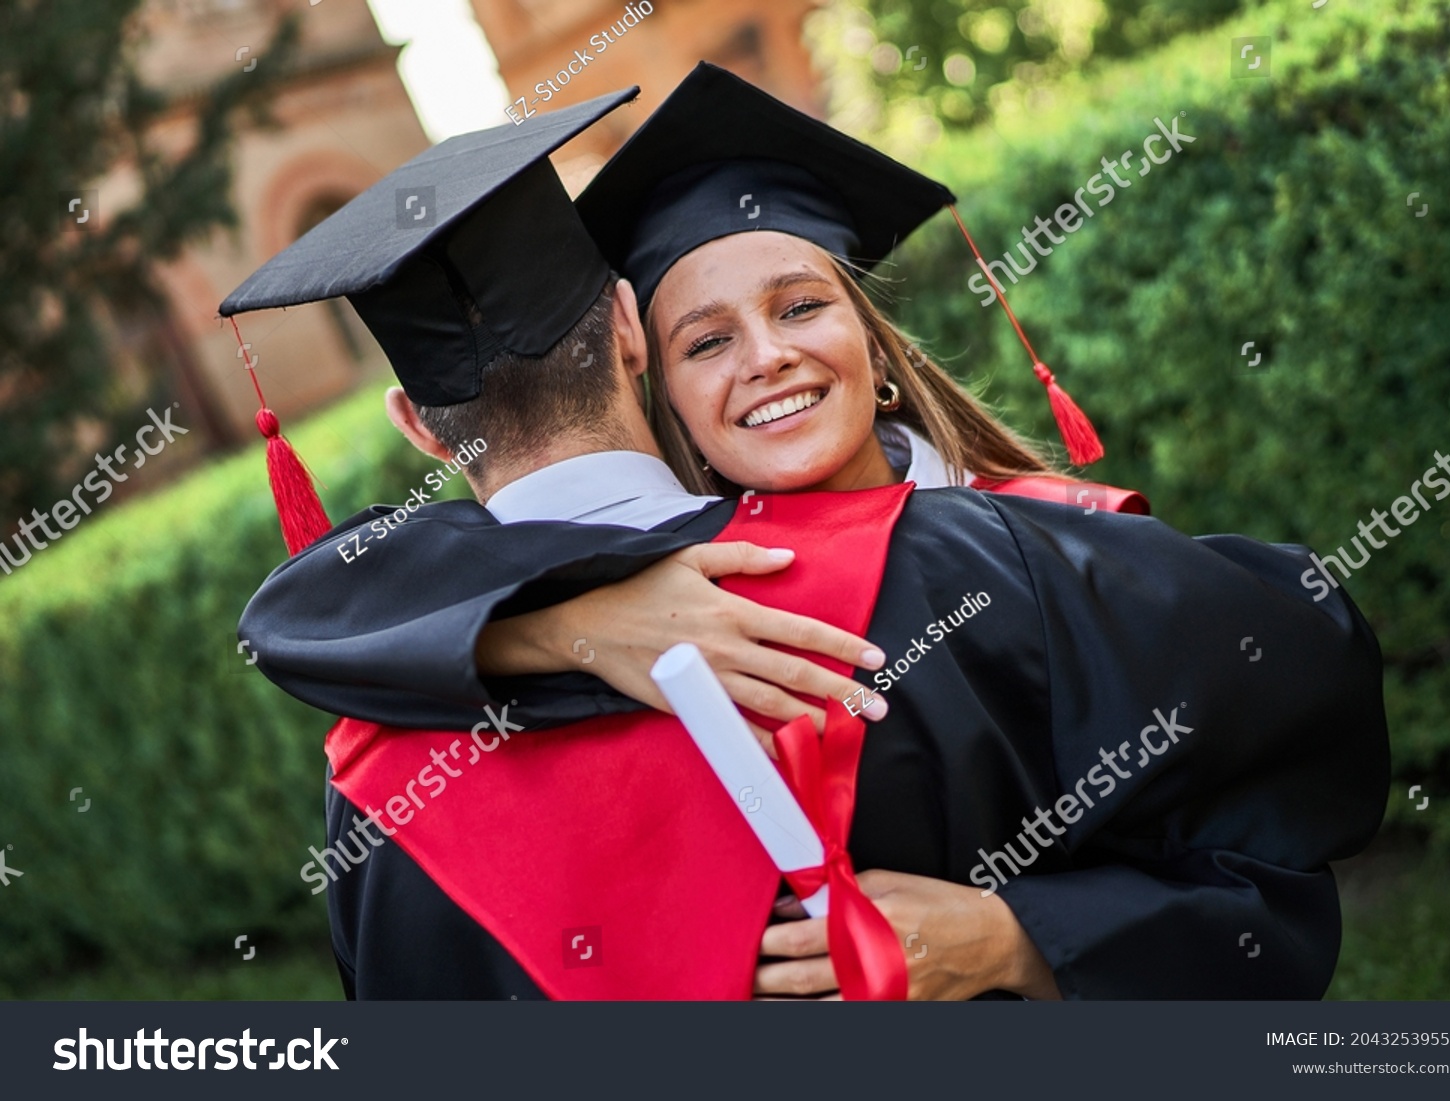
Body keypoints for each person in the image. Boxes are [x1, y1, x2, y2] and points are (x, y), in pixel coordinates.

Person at [234, 66, 1390, 1000]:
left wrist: (1011, 937)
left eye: (798, 306)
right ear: (633, 333)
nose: (769, 360)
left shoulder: (374, 771)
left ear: (415, 428)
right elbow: (1299, 697)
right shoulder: (975, 573)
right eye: (709, 339)